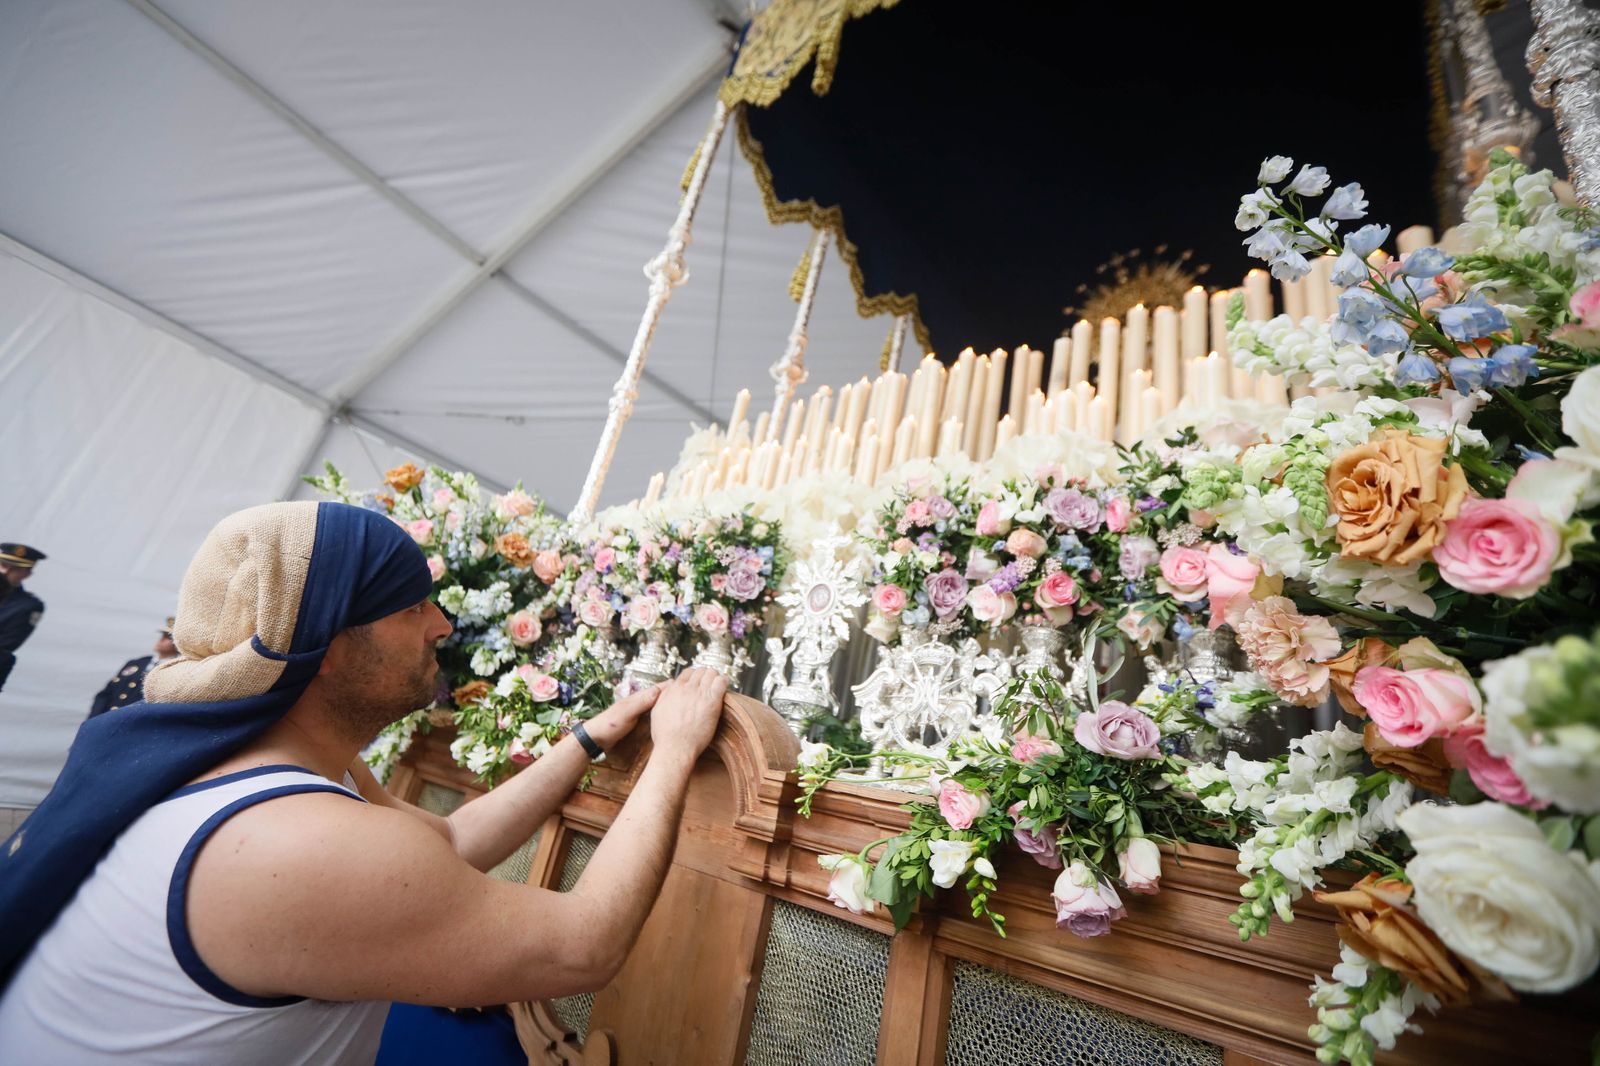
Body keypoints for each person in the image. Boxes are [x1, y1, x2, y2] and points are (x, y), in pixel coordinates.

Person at [0, 501, 728, 1064]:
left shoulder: (249, 755)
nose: (442, 625)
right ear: (324, 648)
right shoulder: (302, 843)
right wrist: (674, 750)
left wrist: (584, 741)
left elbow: (447, 838)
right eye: (413, 607)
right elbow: (581, 950)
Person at [88, 616, 180, 718]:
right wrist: (92, 721)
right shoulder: (136, 663)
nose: (161, 639)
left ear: (178, 643)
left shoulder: (176, 670)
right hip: (107, 720)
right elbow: (106, 694)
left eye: (168, 637)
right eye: (162, 635)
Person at [0, 542, 46, 692]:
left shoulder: (28, 606)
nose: (4, 571)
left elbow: (7, 644)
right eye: (2, 564)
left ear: (27, 573)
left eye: (13, 568)